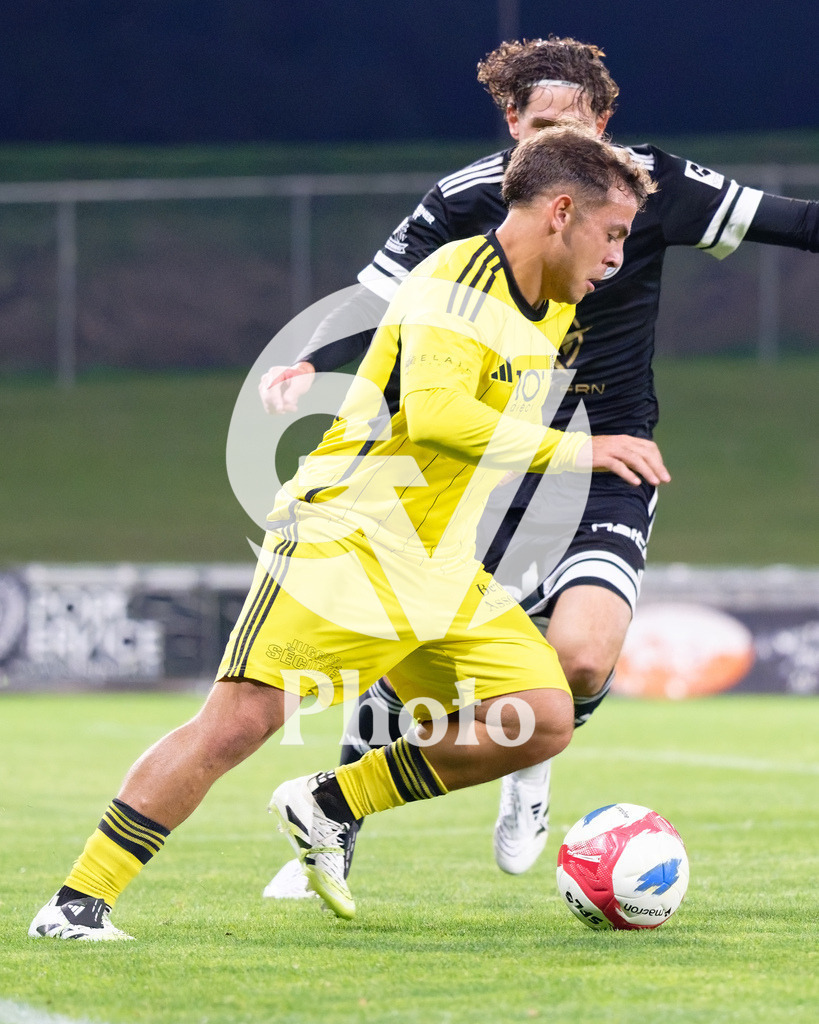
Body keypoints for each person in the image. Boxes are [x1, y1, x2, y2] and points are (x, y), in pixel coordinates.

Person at [29, 125, 665, 936]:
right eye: (613, 233)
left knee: (540, 717)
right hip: (347, 536)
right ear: (561, 212)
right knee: (240, 722)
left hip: (437, 564)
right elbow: (435, 417)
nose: (616, 255)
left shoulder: (552, 309)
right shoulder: (456, 281)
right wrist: (581, 448)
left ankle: (329, 802)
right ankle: (76, 904)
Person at [260, 36, 819, 895]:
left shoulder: (655, 187)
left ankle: (531, 762)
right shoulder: (466, 200)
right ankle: (334, 826)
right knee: (399, 656)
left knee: (582, 662)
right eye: (537, 125)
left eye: (574, 123)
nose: (556, 138)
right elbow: (377, 295)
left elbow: (795, 221)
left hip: (606, 456)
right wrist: (309, 358)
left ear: (604, 121)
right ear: (511, 123)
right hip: (478, 458)